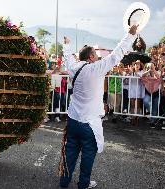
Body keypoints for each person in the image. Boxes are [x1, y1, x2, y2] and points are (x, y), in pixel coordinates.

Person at [58, 25, 138, 189]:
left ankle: (64, 181)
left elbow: (67, 57)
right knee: (88, 154)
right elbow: (117, 54)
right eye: (95, 54)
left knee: (71, 151)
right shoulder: (96, 68)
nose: (98, 57)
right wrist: (130, 35)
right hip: (89, 123)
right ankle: (83, 184)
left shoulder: (74, 67)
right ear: (91, 57)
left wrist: (66, 44)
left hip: (73, 120)